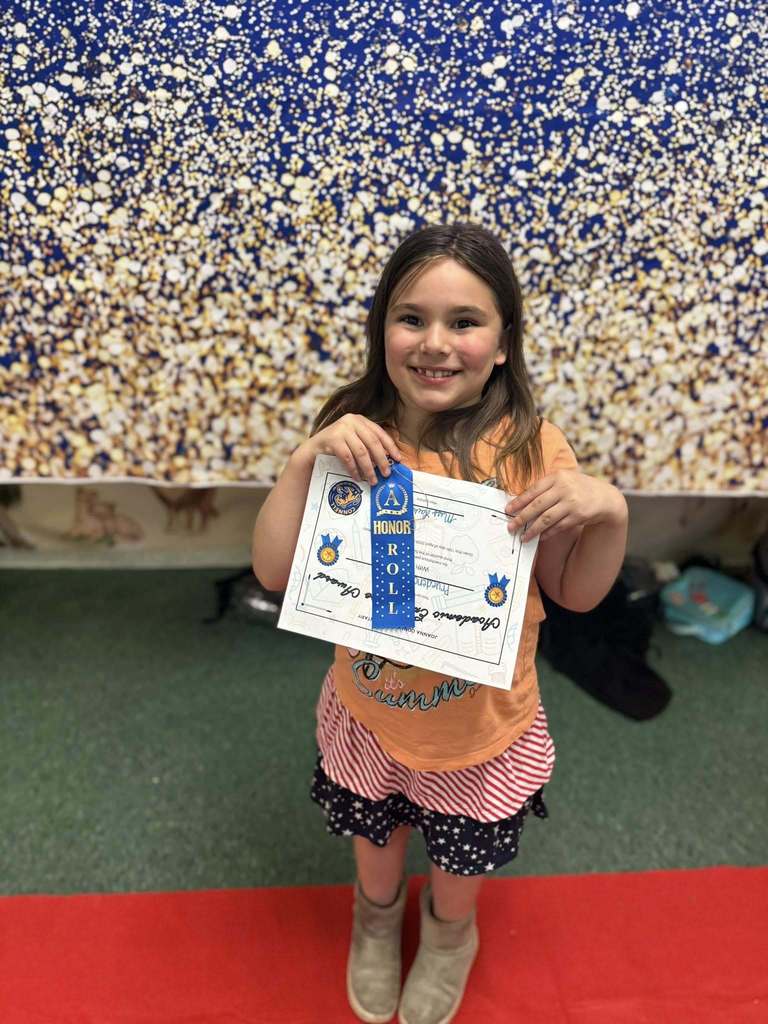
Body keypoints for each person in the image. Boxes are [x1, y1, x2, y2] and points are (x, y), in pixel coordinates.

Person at [251, 223, 628, 1024]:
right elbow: (276, 574)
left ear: (502, 344)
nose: (435, 343)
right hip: (367, 714)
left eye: (464, 322)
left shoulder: (532, 448)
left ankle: (452, 935)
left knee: (462, 861)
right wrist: (298, 465)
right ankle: (376, 921)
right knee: (375, 838)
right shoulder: (351, 433)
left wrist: (610, 515)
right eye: (410, 317)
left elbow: (574, 592)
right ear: (381, 327)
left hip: (482, 730)